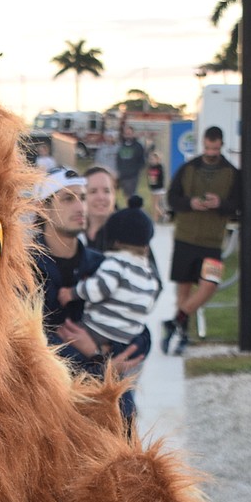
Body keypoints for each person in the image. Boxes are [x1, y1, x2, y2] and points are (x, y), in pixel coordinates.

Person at [34, 166, 148, 426]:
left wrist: (105, 354)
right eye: (68, 198)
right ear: (43, 209)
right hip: (51, 411)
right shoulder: (25, 269)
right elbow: (29, 346)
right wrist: (97, 359)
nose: (80, 206)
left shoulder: (103, 266)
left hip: (109, 410)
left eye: (82, 197)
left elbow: (139, 330)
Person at [161, 126, 241, 355]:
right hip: (185, 238)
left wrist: (220, 204)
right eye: (207, 147)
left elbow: (238, 204)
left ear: (221, 145)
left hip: (213, 242)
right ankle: (180, 335)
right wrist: (191, 203)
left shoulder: (232, 173)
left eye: (215, 148)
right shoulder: (188, 169)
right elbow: (172, 199)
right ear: (203, 144)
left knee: (210, 285)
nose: (211, 152)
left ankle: (173, 322)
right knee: (183, 292)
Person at [58, 197, 161, 358]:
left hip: (98, 330)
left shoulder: (116, 263)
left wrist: (71, 293)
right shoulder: (149, 275)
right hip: (128, 338)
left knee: (60, 339)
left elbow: (99, 289)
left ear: (116, 241)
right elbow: (147, 305)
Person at [82, 165, 118, 250]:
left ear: (114, 195)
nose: (101, 197)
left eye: (106, 191)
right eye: (93, 191)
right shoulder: (73, 235)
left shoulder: (128, 233)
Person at [114, 122, 146, 202]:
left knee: (130, 196)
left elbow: (142, 161)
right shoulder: (120, 145)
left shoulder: (138, 146)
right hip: (121, 174)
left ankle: (131, 211)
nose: (128, 135)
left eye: (129, 133)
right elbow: (117, 159)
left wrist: (135, 171)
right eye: (126, 133)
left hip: (132, 176)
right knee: (116, 194)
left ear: (133, 133)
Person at [146, 148, 166, 222]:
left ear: (158, 160)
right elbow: (149, 178)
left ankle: (158, 218)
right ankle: (161, 216)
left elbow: (161, 179)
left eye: (153, 159)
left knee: (155, 205)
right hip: (153, 188)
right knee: (154, 205)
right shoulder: (150, 168)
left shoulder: (160, 168)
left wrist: (158, 185)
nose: (152, 161)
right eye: (151, 159)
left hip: (159, 188)